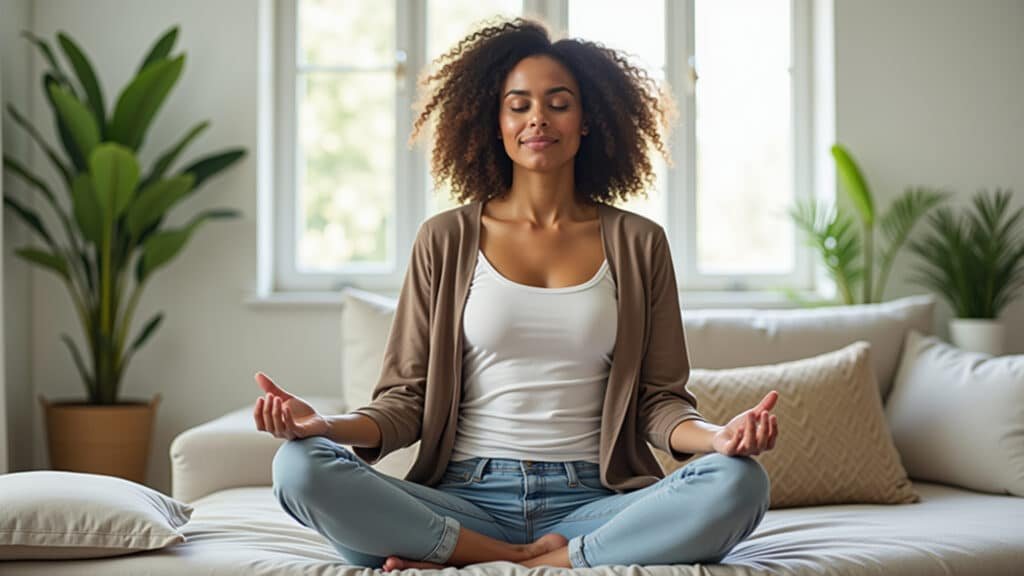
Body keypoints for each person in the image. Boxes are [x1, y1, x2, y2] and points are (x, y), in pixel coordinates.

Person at [253, 17, 779, 571]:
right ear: (496, 122)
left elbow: (659, 402)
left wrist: (721, 437)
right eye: (518, 104)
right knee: (299, 469)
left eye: (558, 103)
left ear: (588, 121)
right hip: (464, 497)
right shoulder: (445, 238)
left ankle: (474, 557)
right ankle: (522, 557)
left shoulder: (639, 242)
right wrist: (324, 427)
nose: (538, 120)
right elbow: (405, 401)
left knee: (739, 482)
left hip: (594, 501)